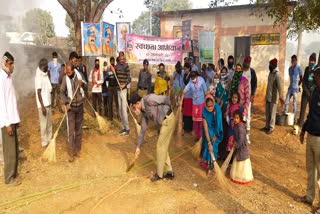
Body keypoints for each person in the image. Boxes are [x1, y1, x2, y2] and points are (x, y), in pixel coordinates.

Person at [130, 94, 175, 182]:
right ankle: (169, 172)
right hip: (164, 123)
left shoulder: (149, 99)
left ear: (138, 103)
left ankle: (159, 174)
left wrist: (168, 112)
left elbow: (166, 99)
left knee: (160, 146)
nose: (135, 111)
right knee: (163, 146)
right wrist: (138, 147)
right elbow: (142, 131)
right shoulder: (144, 113)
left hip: (168, 120)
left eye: (135, 108)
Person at [296, 65, 320, 213]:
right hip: (311, 136)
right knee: (310, 170)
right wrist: (303, 130)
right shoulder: (315, 91)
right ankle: (310, 197)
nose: (314, 78)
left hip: (319, 139)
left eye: (316, 76)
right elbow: (311, 114)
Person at [0, 52, 21, 185]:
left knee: (14, 148)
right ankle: (9, 178)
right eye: (10, 63)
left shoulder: (8, 78)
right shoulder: (1, 79)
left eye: (13, 63)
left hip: (12, 119)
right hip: (6, 122)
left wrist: (16, 119)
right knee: (9, 151)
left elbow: (12, 101)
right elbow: (1, 103)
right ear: (4, 63)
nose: (12, 66)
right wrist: (7, 123)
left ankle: (13, 174)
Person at [60, 62, 87, 162]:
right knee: (71, 131)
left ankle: (78, 150)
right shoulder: (65, 78)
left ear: (73, 70)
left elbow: (86, 86)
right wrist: (66, 103)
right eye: (66, 72)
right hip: (70, 108)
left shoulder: (79, 75)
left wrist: (82, 84)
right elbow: (62, 92)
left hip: (80, 106)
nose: (67, 74)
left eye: (69, 72)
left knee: (79, 130)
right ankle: (71, 153)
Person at [180, 72, 208, 140]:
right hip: (194, 103)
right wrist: (181, 100)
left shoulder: (201, 80)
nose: (193, 79)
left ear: (196, 76)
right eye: (191, 78)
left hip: (201, 102)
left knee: (201, 120)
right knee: (195, 120)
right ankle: (197, 136)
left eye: (194, 78)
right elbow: (184, 91)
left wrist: (206, 101)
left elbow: (205, 90)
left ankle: (201, 136)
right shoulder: (190, 82)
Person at [199, 94, 223, 174]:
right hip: (208, 130)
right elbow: (205, 128)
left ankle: (212, 165)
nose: (209, 108)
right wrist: (209, 142)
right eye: (208, 106)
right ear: (205, 104)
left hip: (217, 129)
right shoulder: (204, 111)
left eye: (211, 106)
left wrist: (216, 135)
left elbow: (219, 124)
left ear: (213, 103)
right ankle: (208, 164)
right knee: (209, 145)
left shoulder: (217, 109)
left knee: (214, 146)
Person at [230, 110, 253, 184]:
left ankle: (243, 178)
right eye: (234, 118)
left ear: (240, 119)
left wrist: (236, 145)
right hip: (238, 147)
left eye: (237, 118)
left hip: (242, 148)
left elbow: (241, 139)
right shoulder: (235, 126)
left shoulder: (240, 127)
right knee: (238, 161)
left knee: (242, 162)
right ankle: (238, 176)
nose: (235, 119)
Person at [262, 58, 284, 134]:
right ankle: (267, 126)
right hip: (268, 96)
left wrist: (281, 97)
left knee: (272, 113)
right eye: (269, 65)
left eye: (270, 65)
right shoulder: (270, 73)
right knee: (267, 112)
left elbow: (280, 87)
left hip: (274, 98)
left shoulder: (277, 74)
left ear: (274, 65)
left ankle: (271, 128)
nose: (269, 66)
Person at [35, 58, 52, 147]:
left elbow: (49, 88)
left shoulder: (45, 75)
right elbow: (38, 92)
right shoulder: (39, 77)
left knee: (49, 123)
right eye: (46, 66)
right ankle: (44, 142)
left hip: (48, 102)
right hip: (43, 105)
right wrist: (42, 107)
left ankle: (50, 139)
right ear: (42, 66)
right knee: (44, 124)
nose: (47, 67)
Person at [298, 53, 317, 127]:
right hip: (305, 93)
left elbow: (317, 83)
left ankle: (310, 124)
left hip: (312, 94)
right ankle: (300, 123)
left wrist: (312, 89)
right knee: (302, 108)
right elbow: (304, 81)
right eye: (310, 60)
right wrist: (306, 90)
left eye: (312, 61)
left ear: (315, 61)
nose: (311, 62)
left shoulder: (316, 70)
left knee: (311, 109)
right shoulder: (306, 69)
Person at [114, 55, 131, 136]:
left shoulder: (126, 66)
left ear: (124, 59)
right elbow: (115, 77)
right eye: (120, 59)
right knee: (120, 110)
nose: (122, 60)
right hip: (118, 90)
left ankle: (127, 128)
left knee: (124, 110)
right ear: (119, 59)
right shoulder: (116, 66)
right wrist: (113, 71)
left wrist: (124, 85)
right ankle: (123, 127)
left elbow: (129, 78)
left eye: (123, 59)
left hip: (123, 90)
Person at [284, 54, 303, 121]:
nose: (293, 61)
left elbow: (301, 78)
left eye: (294, 60)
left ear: (296, 61)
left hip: (295, 88)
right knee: (286, 101)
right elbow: (291, 77)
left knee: (294, 103)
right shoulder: (289, 69)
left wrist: (298, 85)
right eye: (292, 60)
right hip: (290, 87)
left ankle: (294, 118)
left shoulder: (299, 68)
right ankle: (285, 115)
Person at [238, 69, 251, 143]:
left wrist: (245, 110)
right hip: (237, 105)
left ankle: (246, 137)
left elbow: (247, 97)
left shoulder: (245, 82)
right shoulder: (236, 81)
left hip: (243, 105)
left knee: (245, 121)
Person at [182, 63, 193, 134]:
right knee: (185, 112)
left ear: (189, 68)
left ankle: (190, 127)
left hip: (190, 95)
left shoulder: (192, 76)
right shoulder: (185, 75)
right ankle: (186, 127)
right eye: (184, 69)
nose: (185, 70)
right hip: (185, 95)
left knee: (190, 112)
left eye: (185, 69)